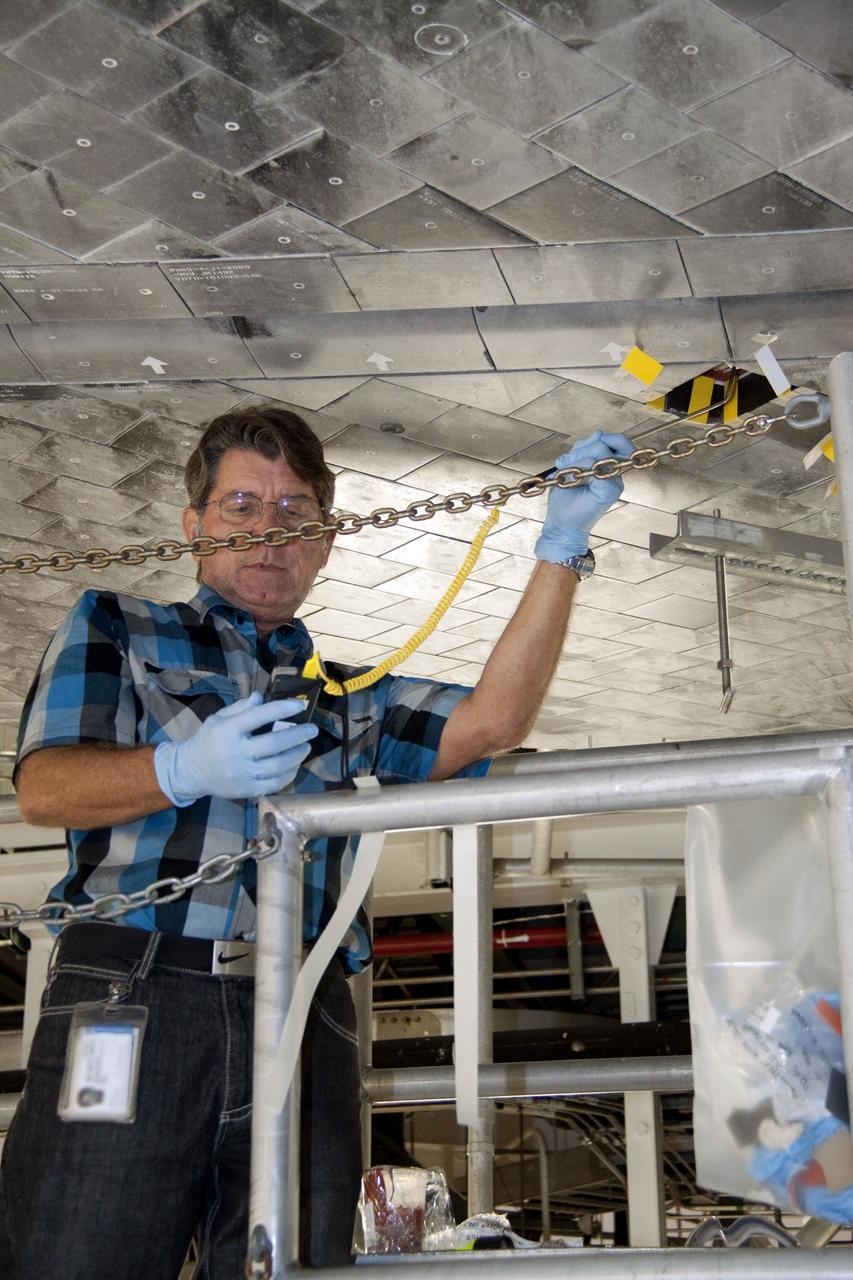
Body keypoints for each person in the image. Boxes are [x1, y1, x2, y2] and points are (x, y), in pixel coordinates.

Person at [0, 406, 631, 1278]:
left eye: (296, 511)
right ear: (195, 527)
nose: (269, 533)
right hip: (137, 993)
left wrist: (559, 550)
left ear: (328, 540)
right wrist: (182, 767)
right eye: (241, 507)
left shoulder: (349, 699)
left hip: (306, 1011)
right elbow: (43, 789)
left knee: (293, 1267)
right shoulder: (118, 625)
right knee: (79, 1254)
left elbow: (492, 723)